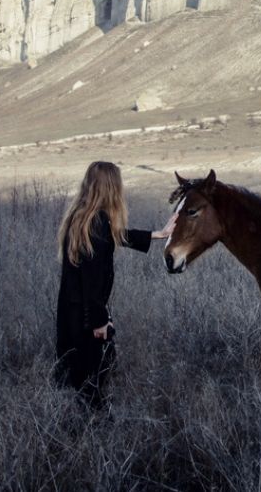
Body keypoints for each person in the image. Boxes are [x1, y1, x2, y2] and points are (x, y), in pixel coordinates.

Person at [55, 161, 175, 407]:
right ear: (111, 188)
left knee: (80, 380)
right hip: (87, 320)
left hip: (73, 317)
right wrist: (100, 322)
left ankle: (77, 426)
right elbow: (92, 281)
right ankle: (92, 434)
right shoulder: (97, 224)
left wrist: (157, 234)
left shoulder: (82, 218)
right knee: (92, 386)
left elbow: (117, 235)